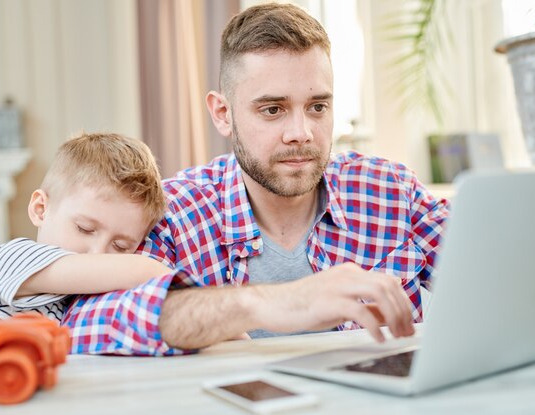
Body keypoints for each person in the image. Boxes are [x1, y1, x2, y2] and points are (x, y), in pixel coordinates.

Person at [62, 3, 450, 356]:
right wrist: (263, 303)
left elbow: (497, 268)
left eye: (317, 106)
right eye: (272, 109)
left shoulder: (392, 191)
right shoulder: (175, 213)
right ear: (222, 113)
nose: (301, 132)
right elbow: (83, 324)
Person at [0, 132, 170, 332]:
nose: (98, 254)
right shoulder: (14, 258)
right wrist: (172, 280)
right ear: (40, 209)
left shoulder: (75, 300)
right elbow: (142, 270)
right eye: (85, 229)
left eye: (120, 247)